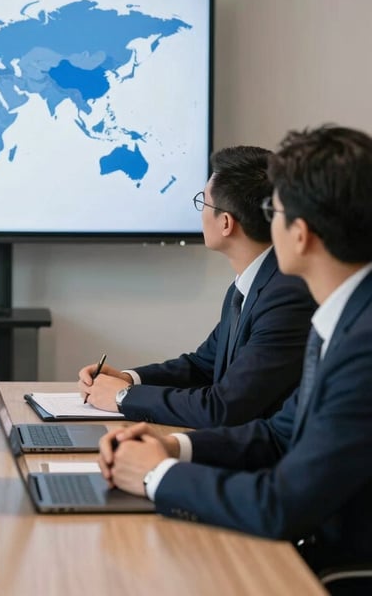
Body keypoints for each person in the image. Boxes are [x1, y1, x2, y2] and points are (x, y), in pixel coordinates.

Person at [99, 125, 372, 579]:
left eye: (274, 210)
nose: (267, 222)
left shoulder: (362, 343)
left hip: (333, 566)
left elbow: (282, 505)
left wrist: (155, 475)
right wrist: (172, 446)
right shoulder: (343, 318)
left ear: (300, 234)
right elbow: (279, 434)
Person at [78, 146, 316, 427]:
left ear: (226, 222)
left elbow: (223, 407)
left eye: (203, 203)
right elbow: (203, 366)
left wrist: (122, 397)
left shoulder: (287, 296)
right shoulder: (250, 284)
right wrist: (129, 379)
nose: (201, 212)